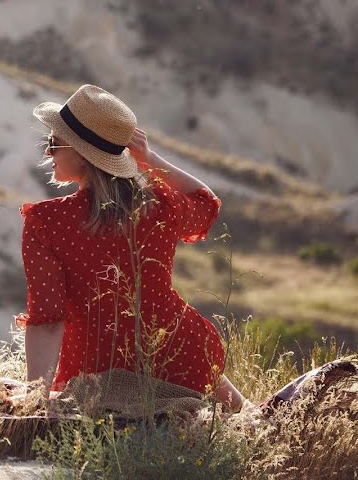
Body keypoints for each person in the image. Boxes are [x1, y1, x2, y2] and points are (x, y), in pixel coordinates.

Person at [19, 84, 246, 412]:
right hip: (179, 356)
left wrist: (35, 401)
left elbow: (47, 321)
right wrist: (149, 159)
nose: (47, 153)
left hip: (98, 370)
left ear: (82, 155)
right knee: (252, 424)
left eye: (53, 143)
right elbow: (205, 202)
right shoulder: (161, 204)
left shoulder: (47, 222)